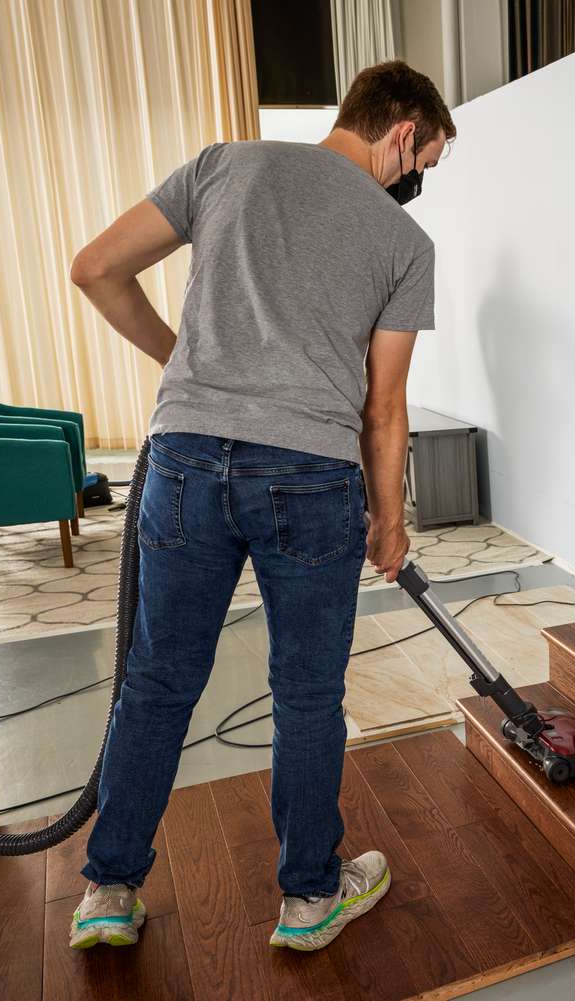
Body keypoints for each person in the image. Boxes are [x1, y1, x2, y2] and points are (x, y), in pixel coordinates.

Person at [65, 61, 454, 953]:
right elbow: (383, 407)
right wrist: (389, 523)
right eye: (425, 158)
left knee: (158, 681)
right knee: (308, 695)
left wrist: (184, 363)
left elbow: (94, 269)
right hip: (310, 473)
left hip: (184, 459)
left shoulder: (221, 166)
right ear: (403, 133)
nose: (416, 180)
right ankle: (310, 899)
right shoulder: (402, 242)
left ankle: (108, 889)